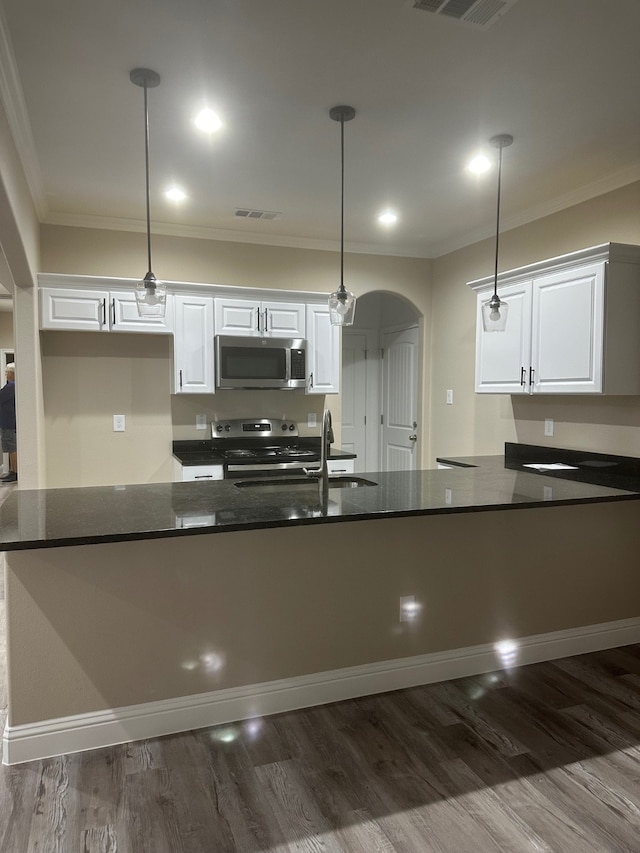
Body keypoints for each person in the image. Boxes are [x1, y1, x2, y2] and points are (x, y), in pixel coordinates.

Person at [0, 363, 17, 483]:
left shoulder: (11, 387)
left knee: (12, 447)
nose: (6, 374)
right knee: (11, 447)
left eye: (7, 372)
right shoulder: (12, 386)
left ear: (12, 373)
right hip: (9, 421)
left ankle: (15, 472)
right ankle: (12, 470)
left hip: (9, 423)